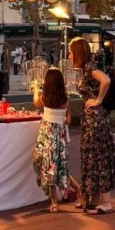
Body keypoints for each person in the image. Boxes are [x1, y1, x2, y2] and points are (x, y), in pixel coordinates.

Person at [71, 36, 115, 215]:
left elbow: (106, 80)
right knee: (91, 155)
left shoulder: (89, 69)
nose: (69, 56)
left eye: (71, 52)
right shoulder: (85, 69)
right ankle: (93, 197)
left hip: (95, 118)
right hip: (91, 118)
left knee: (98, 155)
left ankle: (105, 201)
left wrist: (98, 100)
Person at [32, 67, 75, 211]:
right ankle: (72, 191)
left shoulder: (45, 97)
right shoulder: (66, 99)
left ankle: (53, 202)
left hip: (46, 136)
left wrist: (36, 90)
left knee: (46, 165)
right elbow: (69, 121)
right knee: (59, 166)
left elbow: (35, 103)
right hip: (60, 138)